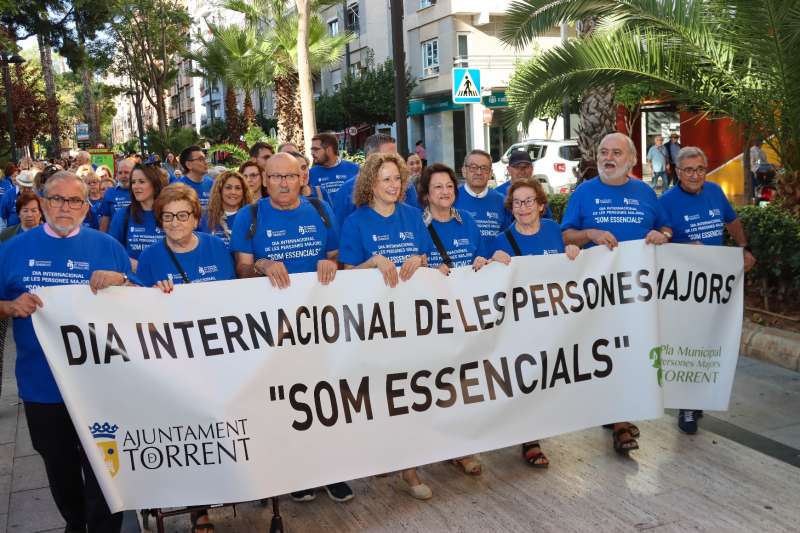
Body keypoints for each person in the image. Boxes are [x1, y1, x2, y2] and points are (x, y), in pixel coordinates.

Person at [0, 170, 131, 533]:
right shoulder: (10, 251)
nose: (65, 207)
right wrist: (9, 307)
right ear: (41, 203)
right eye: (57, 199)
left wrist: (121, 280)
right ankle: (75, 522)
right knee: (59, 466)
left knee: (106, 466)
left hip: (101, 384)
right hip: (42, 385)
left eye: (75, 200)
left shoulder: (107, 247)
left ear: (87, 207)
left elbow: (140, 302)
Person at [561, 132, 671, 454]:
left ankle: (617, 414)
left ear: (632, 160)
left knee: (629, 354)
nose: (608, 158)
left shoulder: (645, 192)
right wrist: (589, 233)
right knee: (609, 355)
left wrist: (660, 234)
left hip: (637, 295)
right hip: (596, 295)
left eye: (616, 153)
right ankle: (620, 423)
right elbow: (566, 234)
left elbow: (665, 228)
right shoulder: (584, 193)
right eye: (604, 152)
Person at [658, 146, 756, 434]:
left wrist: (744, 247)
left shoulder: (714, 192)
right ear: (677, 172)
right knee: (688, 342)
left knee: (710, 342)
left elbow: (732, 220)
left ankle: (699, 396)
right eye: (688, 170)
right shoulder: (666, 202)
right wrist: (683, 247)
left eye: (700, 169)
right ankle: (686, 406)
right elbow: (657, 241)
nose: (695, 175)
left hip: (714, 285)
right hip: (685, 288)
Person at [491, 177, 581, 468]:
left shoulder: (555, 231)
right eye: (517, 202)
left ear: (542, 205)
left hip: (554, 322)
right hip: (521, 325)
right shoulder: (502, 240)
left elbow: (571, 269)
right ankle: (530, 439)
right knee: (527, 378)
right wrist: (493, 261)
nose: (523, 207)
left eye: (529, 201)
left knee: (550, 378)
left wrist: (573, 254)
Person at [339, 152, 432, 286]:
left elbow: (426, 257)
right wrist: (373, 262)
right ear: (371, 184)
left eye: (397, 178)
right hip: (374, 303)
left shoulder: (414, 215)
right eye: (387, 179)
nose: (394, 185)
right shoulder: (354, 223)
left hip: (413, 300)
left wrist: (419, 259)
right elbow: (347, 277)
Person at [136, 183, 235, 291]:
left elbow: (230, 290)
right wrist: (154, 294)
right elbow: (143, 302)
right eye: (167, 216)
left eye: (182, 216)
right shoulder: (149, 257)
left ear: (196, 220)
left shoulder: (217, 246)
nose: (174, 223)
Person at [332, 134, 418, 227]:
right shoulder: (347, 191)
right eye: (388, 157)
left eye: (396, 156)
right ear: (370, 158)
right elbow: (339, 231)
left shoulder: (406, 185)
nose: (394, 161)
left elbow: (415, 222)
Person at [109, 164, 167, 271]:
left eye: (141, 182)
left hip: (167, 280)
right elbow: (112, 251)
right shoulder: (123, 215)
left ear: (155, 184)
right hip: (133, 282)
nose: (136, 186)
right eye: (133, 182)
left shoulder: (170, 214)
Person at [453, 149, 510, 249]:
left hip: (494, 263)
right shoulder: (451, 198)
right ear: (464, 171)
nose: (479, 172)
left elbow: (506, 237)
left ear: (490, 173)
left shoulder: (501, 201)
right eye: (473, 167)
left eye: (484, 168)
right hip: (463, 263)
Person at [201, 170, 252, 249]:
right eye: (228, 187)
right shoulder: (205, 217)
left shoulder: (251, 217)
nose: (233, 192)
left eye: (238, 188)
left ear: (244, 192)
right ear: (219, 190)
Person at [495, 151, 554, 219]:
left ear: (532, 168)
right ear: (509, 169)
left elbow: (547, 220)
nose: (522, 171)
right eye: (517, 167)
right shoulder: (498, 194)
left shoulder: (537, 192)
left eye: (526, 167)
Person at [309, 132, 359, 198]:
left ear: (329, 150)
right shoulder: (310, 173)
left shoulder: (354, 169)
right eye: (312, 150)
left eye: (316, 149)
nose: (312, 153)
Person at [98, 158, 135, 232]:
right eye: (120, 173)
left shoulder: (140, 192)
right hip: (115, 237)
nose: (123, 176)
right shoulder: (110, 193)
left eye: (126, 172)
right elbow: (105, 221)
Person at [177, 145, 214, 209]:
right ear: (189, 165)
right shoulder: (178, 187)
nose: (206, 162)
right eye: (201, 159)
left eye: (205, 159)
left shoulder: (210, 182)